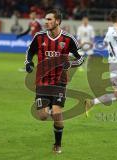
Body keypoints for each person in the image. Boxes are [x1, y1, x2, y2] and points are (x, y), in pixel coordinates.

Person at [25, 9, 84, 153]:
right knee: (43, 116)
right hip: (42, 81)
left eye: (49, 19)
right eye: (46, 19)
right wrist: (28, 62)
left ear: (57, 21)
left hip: (59, 81)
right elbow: (30, 51)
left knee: (57, 114)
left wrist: (70, 64)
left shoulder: (68, 39)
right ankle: (50, 108)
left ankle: (57, 145)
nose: (46, 22)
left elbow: (81, 58)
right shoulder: (39, 37)